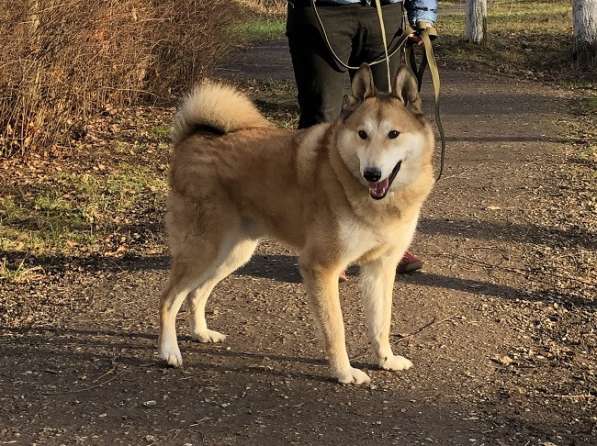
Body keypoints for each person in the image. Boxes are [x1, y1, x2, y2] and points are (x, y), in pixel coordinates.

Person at [286, 0, 437, 274]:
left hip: (383, 12)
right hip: (321, 11)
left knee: (389, 127)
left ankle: (388, 243)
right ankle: (323, 241)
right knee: (321, 121)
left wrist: (423, 13)